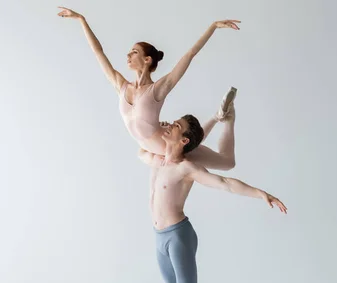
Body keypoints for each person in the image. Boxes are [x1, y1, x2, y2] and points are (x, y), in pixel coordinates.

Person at [138, 99, 286, 283]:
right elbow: (139, 143)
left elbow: (226, 183)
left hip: (178, 236)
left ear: (183, 140)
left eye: (175, 126)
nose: (167, 125)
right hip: (159, 238)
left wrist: (261, 193)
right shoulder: (156, 159)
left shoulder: (186, 168)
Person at [57, 7, 240, 170]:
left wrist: (213, 26)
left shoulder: (157, 90)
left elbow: (189, 55)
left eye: (134, 51)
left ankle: (224, 118)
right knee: (195, 143)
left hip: (170, 146)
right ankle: (218, 116)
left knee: (227, 163)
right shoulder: (121, 86)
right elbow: (98, 52)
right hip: (153, 151)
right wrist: (82, 20)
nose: (128, 54)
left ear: (147, 60)